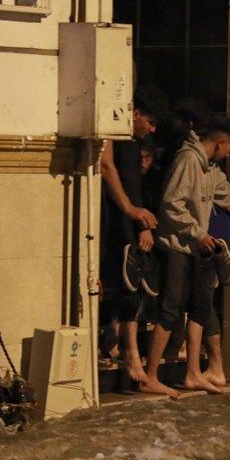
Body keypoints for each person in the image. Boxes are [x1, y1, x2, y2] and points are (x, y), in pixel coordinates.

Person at [141, 115, 230, 397]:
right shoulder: (188, 161)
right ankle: (150, 375)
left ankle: (193, 373)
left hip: (195, 248)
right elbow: (171, 204)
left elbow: (227, 195)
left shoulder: (210, 168)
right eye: (229, 149)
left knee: (200, 305)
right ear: (221, 143)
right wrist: (198, 233)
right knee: (171, 307)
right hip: (178, 245)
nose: (227, 155)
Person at [99, 85, 170, 383]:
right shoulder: (114, 129)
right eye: (150, 122)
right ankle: (127, 351)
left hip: (128, 215)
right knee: (122, 282)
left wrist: (141, 221)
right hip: (113, 215)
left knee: (130, 282)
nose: (151, 129)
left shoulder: (132, 140)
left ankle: (118, 343)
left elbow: (131, 181)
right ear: (136, 113)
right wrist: (130, 210)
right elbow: (107, 166)